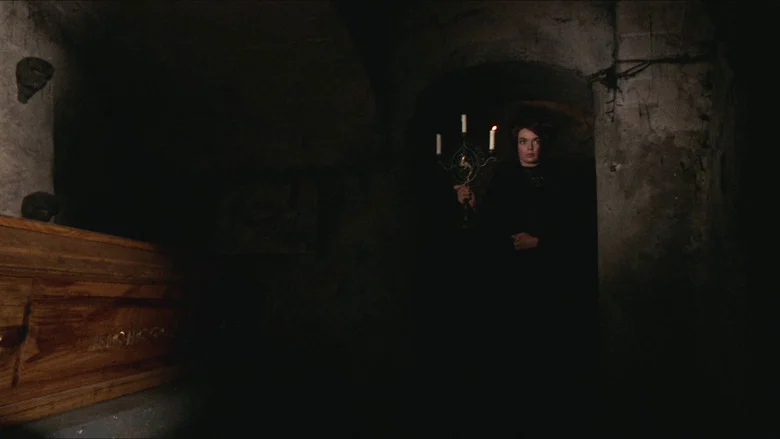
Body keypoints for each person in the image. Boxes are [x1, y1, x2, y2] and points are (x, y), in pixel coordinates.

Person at [452, 119, 575, 431]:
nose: (530, 148)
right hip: (512, 275)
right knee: (514, 344)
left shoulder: (559, 177)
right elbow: (492, 224)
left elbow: (575, 227)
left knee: (548, 345)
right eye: (523, 142)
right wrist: (472, 204)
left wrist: (542, 243)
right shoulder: (504, 176)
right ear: (516, 145)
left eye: (535, 141)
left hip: (549, 275)